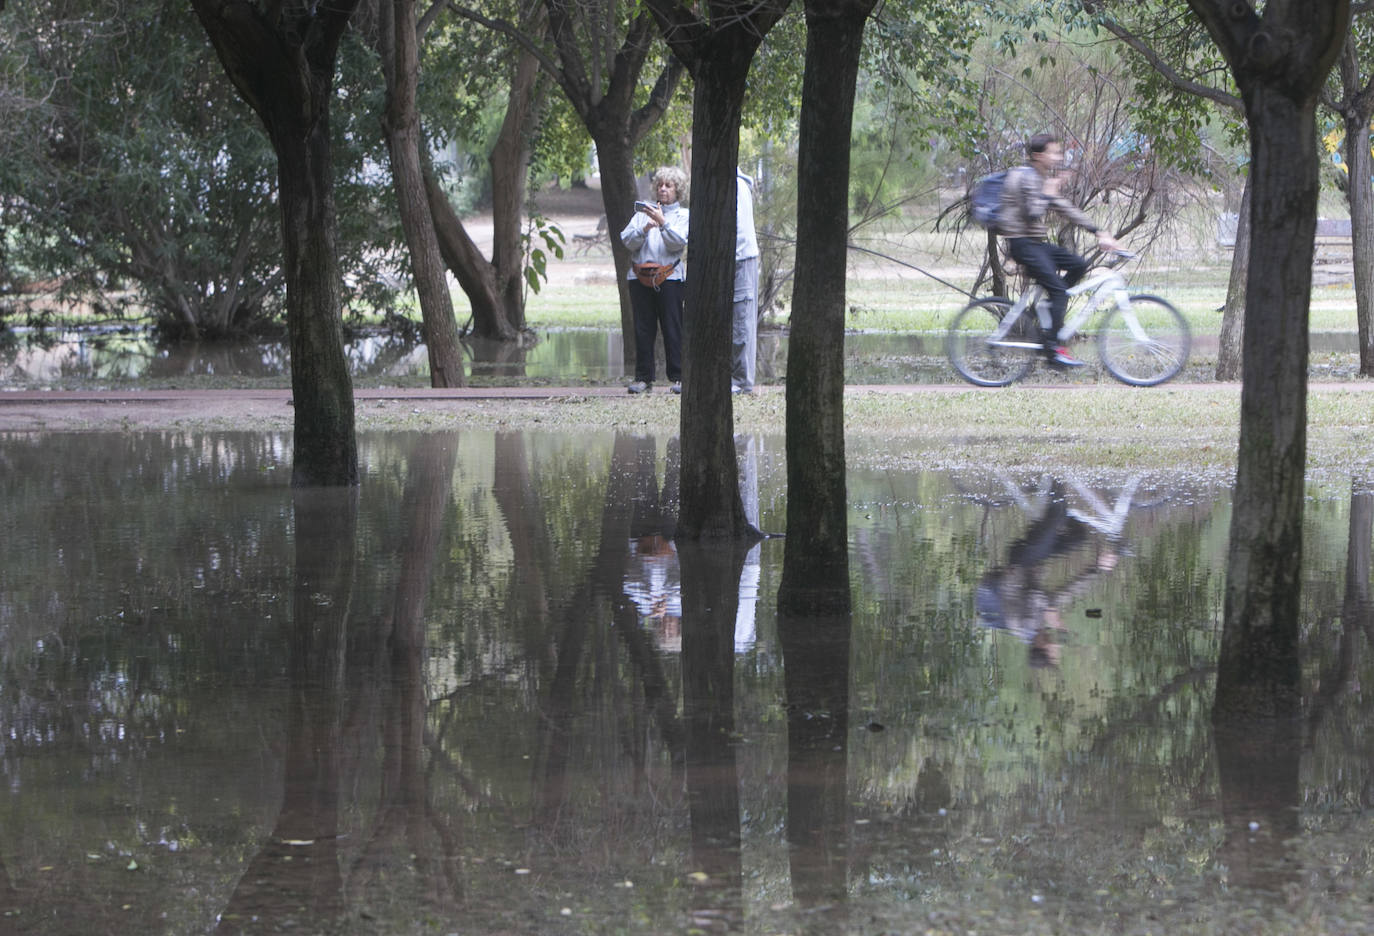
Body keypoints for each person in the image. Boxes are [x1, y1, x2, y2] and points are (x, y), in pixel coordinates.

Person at [999, 133, 1121, 367]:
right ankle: (1053, 351)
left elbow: (1064, 208)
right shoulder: (1026, 178)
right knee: (1059, 292)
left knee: (1079, 265)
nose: (1058, 157)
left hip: (1035, 244)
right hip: (1022, 245)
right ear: (1037, 156)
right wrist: (1049, 193)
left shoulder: (1040, 179)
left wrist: (1098, 231)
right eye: (1053, 152)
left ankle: (1049, 309)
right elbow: (1033, 212)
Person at [620, 167, 689, 394]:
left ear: (677, 190)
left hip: (669, 279)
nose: (663, 189)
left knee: (673, 328)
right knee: (643, 329)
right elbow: (626, 240)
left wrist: (662, 223)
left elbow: (677, 243)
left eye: (668, 186)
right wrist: (645, 227)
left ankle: (678, 377)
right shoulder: (642, 213)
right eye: (660, 185)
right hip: (640, 278)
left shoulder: (683, 216)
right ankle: (643, 378)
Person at [732, 169, 760, 394]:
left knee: (741, 319)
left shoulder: (736, 186)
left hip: (740, 259)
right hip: (729, 260)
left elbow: (739, 230)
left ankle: (742, 382)